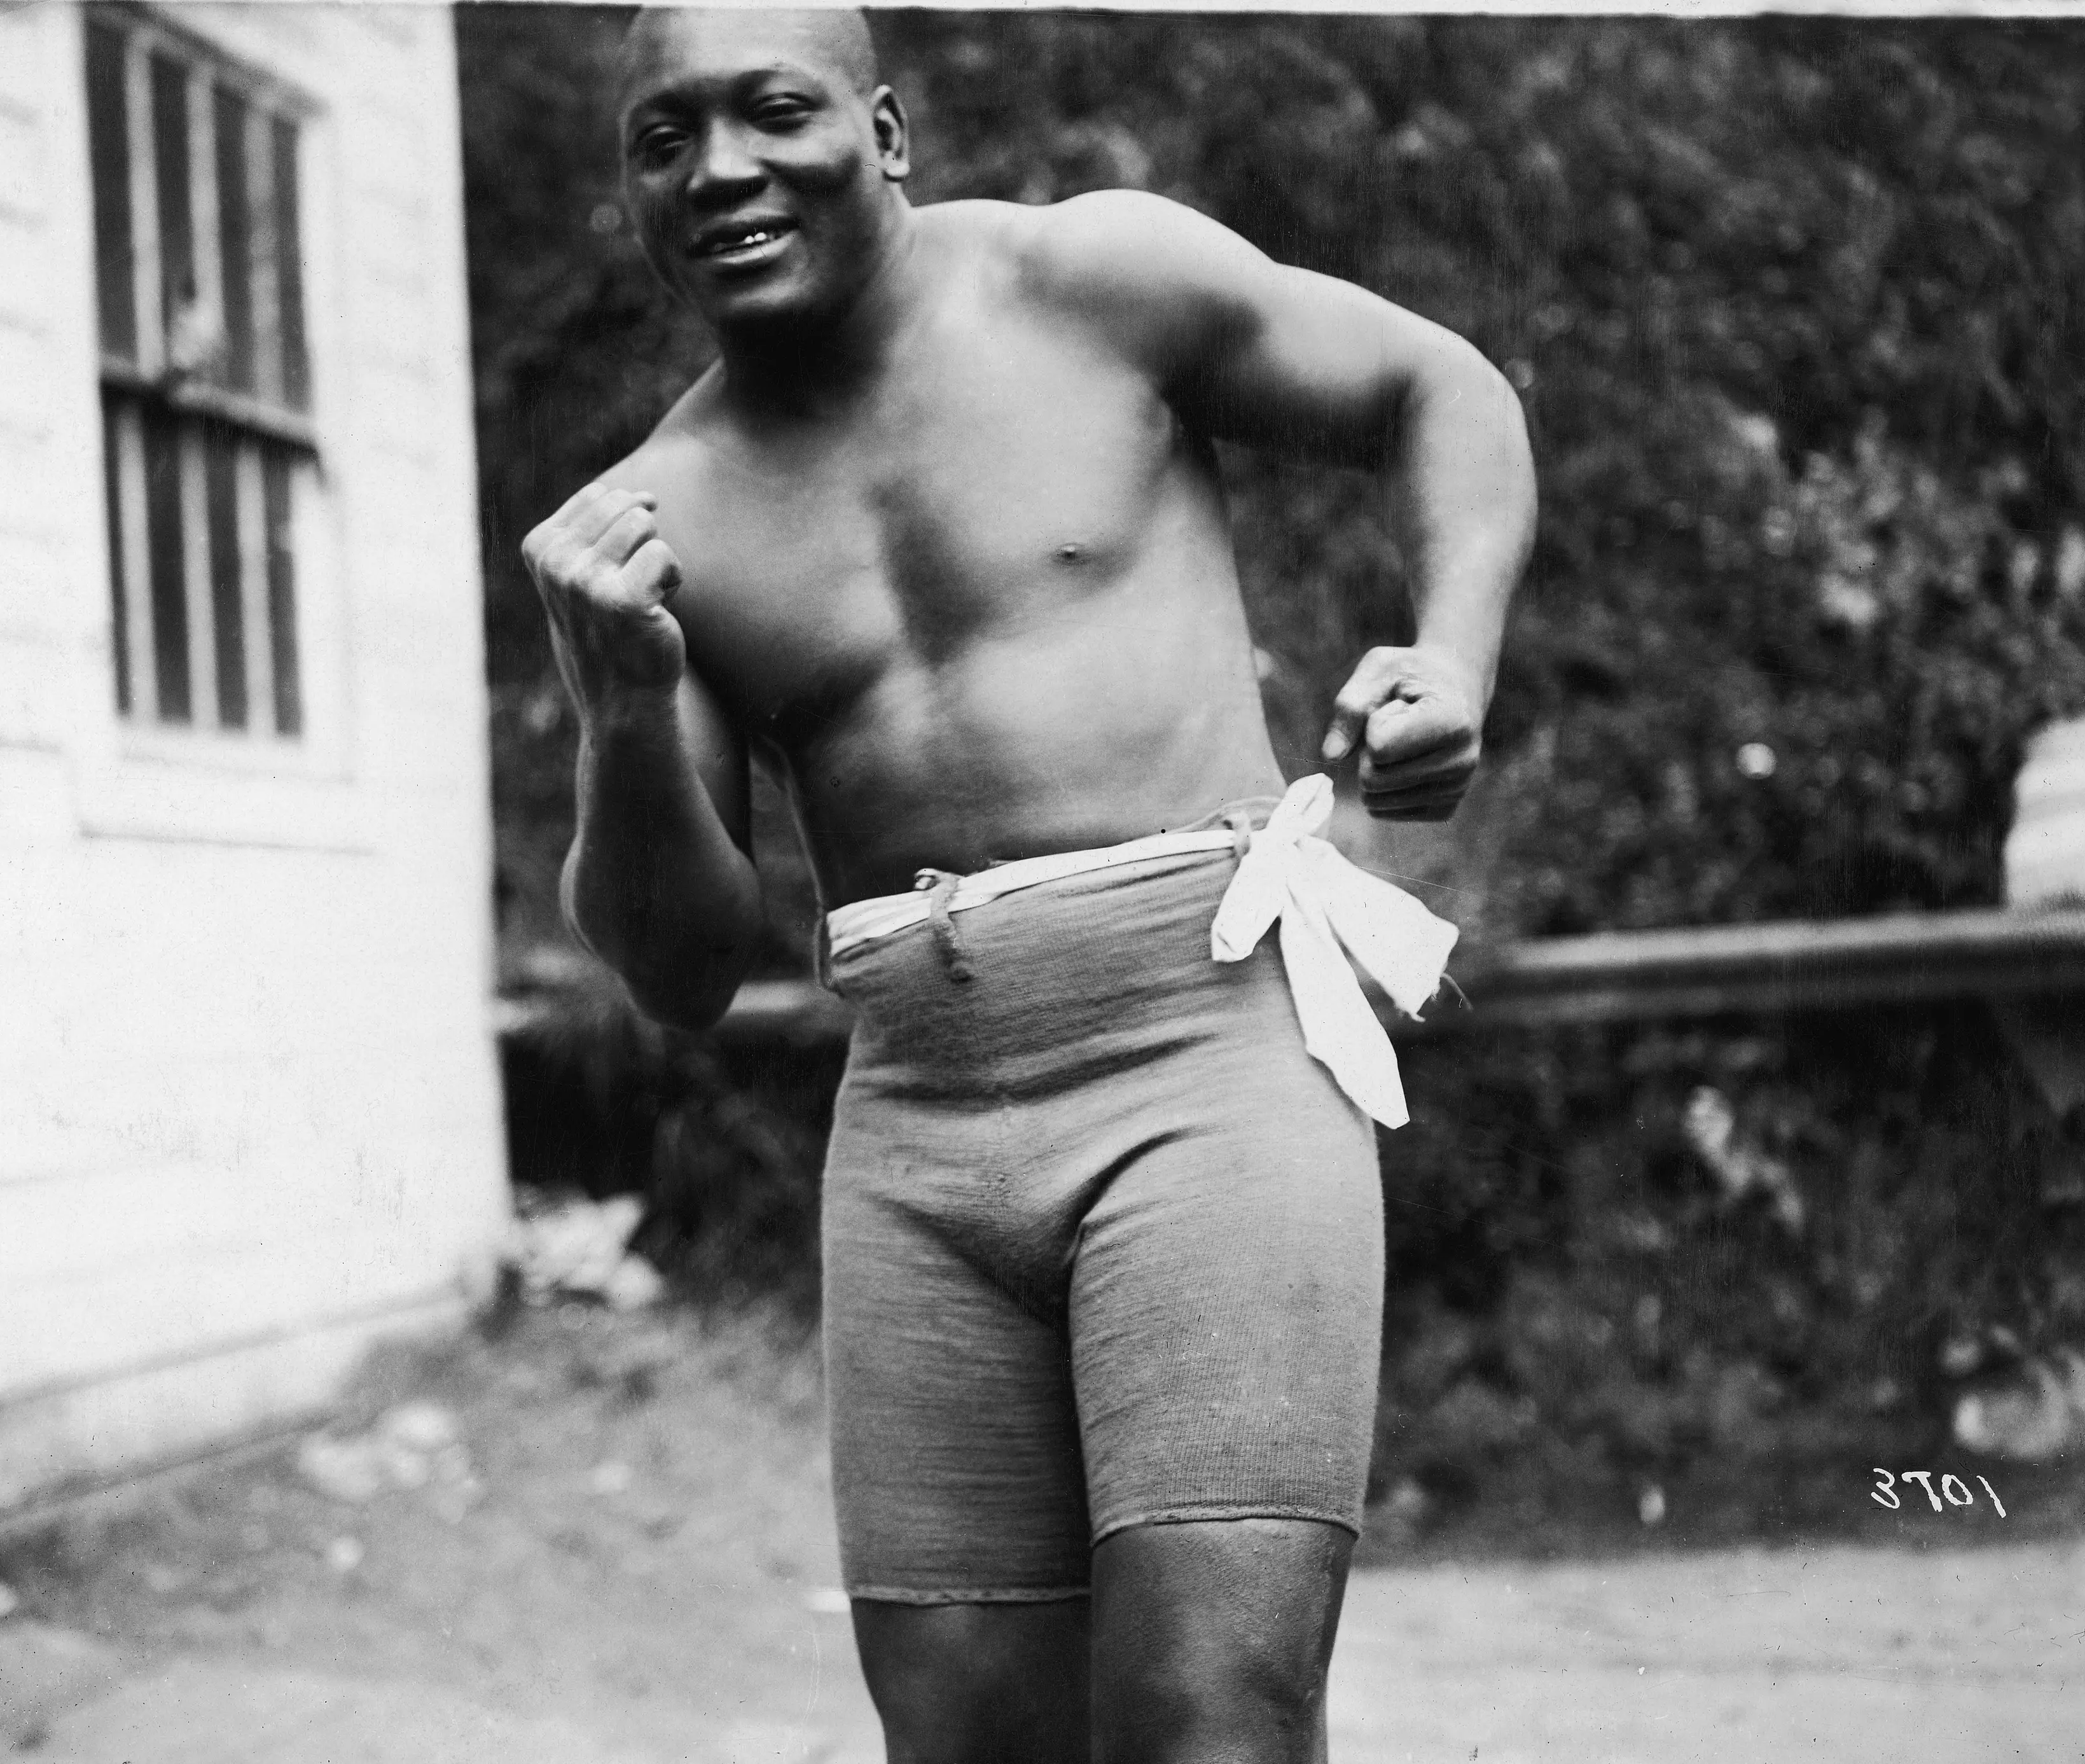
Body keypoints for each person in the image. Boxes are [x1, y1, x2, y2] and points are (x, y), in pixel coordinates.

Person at [520, 11, 1534, 1760]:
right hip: (918, 1133)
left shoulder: (1093, 283)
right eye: (664, 138)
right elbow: (684, 966)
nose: (721, 170)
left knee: (1211, 1711)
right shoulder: (647, 521)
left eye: (774, 112)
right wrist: (621, 710)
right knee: (970, 1740)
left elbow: (1441, 387)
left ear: (888, 135)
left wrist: (1453, 660)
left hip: (1204, 1063)